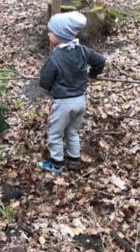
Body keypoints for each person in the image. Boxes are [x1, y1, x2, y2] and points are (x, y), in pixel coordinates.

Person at [38, 11, 106, 173]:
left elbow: (44, 81)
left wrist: (49, 90)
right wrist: (93, 75)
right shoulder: (82, 50)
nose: (48, 34)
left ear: (60, 36)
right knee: (72, 131)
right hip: (80, 101)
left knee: (55, 133)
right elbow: (100, 61)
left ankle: (56, 165)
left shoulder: (55, 58)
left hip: (63, 104)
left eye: (51, 32)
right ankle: (73, 160)